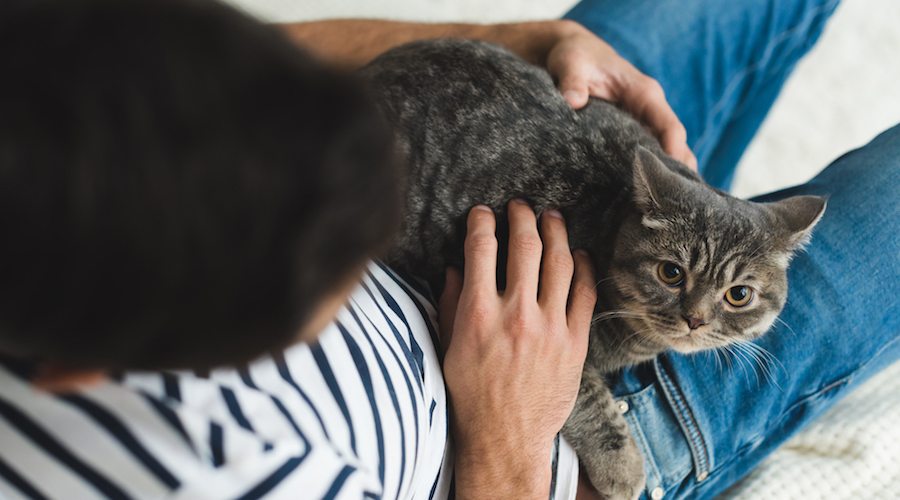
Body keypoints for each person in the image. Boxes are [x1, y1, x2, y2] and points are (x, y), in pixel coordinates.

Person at [0, 0, 896, 499]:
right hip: (578, 426)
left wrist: (521, 44)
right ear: (83, 370)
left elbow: (249, 54)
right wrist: (510, 433)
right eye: (326, 280)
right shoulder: (198, 478)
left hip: (531, 134)